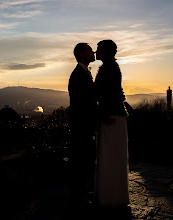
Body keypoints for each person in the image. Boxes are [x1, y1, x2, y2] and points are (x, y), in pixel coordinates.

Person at [94, 39, 130, 211]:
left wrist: (101, 113)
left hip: (111, 116)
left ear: (105, 51)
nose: (96, 52)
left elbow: (105, 93)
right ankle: (114, 195)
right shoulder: (112, 67)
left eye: (98, 49)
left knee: (110, 156)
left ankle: (110, 197)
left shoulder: (108, 68)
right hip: (116, 114)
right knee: (114, 157)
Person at [68, 43, 97, 214]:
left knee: (82, 161)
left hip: (83, 125)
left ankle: (80, 196)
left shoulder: (83, 72)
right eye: (88, 49)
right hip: (81, 125)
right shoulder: (78, 75)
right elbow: (82, 103)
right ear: (81, 54)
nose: (92, 51)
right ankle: (78, 198)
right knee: (79, 161)